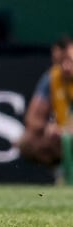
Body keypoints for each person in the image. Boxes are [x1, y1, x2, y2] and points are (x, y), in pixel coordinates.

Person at [16, 37, 73, 184]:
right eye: (63, 61)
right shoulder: (52, 78)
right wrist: (49, 127)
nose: (67, 67)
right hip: (65, 137)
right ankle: (62, 172)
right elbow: (32, 118)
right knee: (27, 142)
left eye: (71, 62)